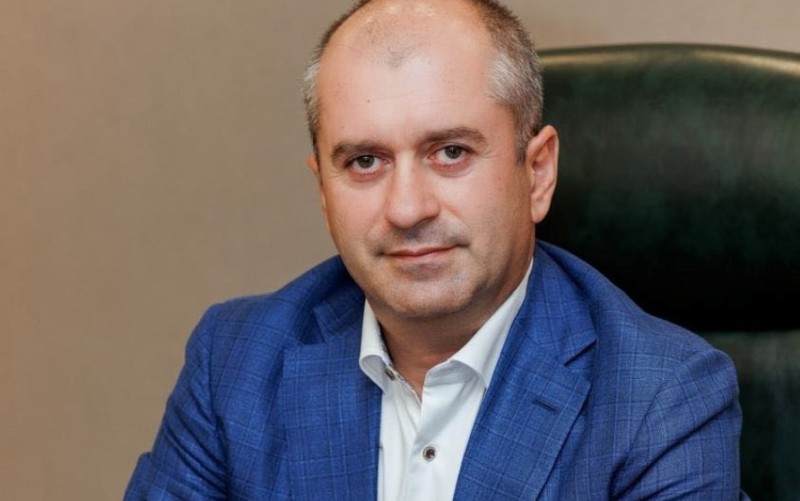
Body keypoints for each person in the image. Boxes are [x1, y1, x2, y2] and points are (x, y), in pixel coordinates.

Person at [125, 0, 743, 499]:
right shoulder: (234, 362)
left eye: (450, 152)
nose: (407, 208)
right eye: (364, 162)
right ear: (323, 192)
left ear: (537, 173)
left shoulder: (662, 398)